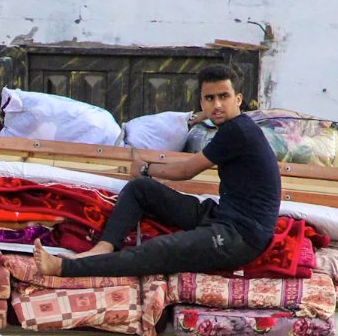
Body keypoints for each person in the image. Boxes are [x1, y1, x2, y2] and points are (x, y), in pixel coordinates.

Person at [32, 65, 281, 280]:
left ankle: (63, 266)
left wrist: (143, 168)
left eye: (223, 96)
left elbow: (186, 170)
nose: (216, 105)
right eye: (209, 98)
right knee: (142, 189)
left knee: (157, 250)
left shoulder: (238, 131)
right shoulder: (231, 128)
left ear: (238, 99)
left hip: (241, 236)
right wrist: (144, 176)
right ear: (201, 102)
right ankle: (105, 246)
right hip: (220, 215)